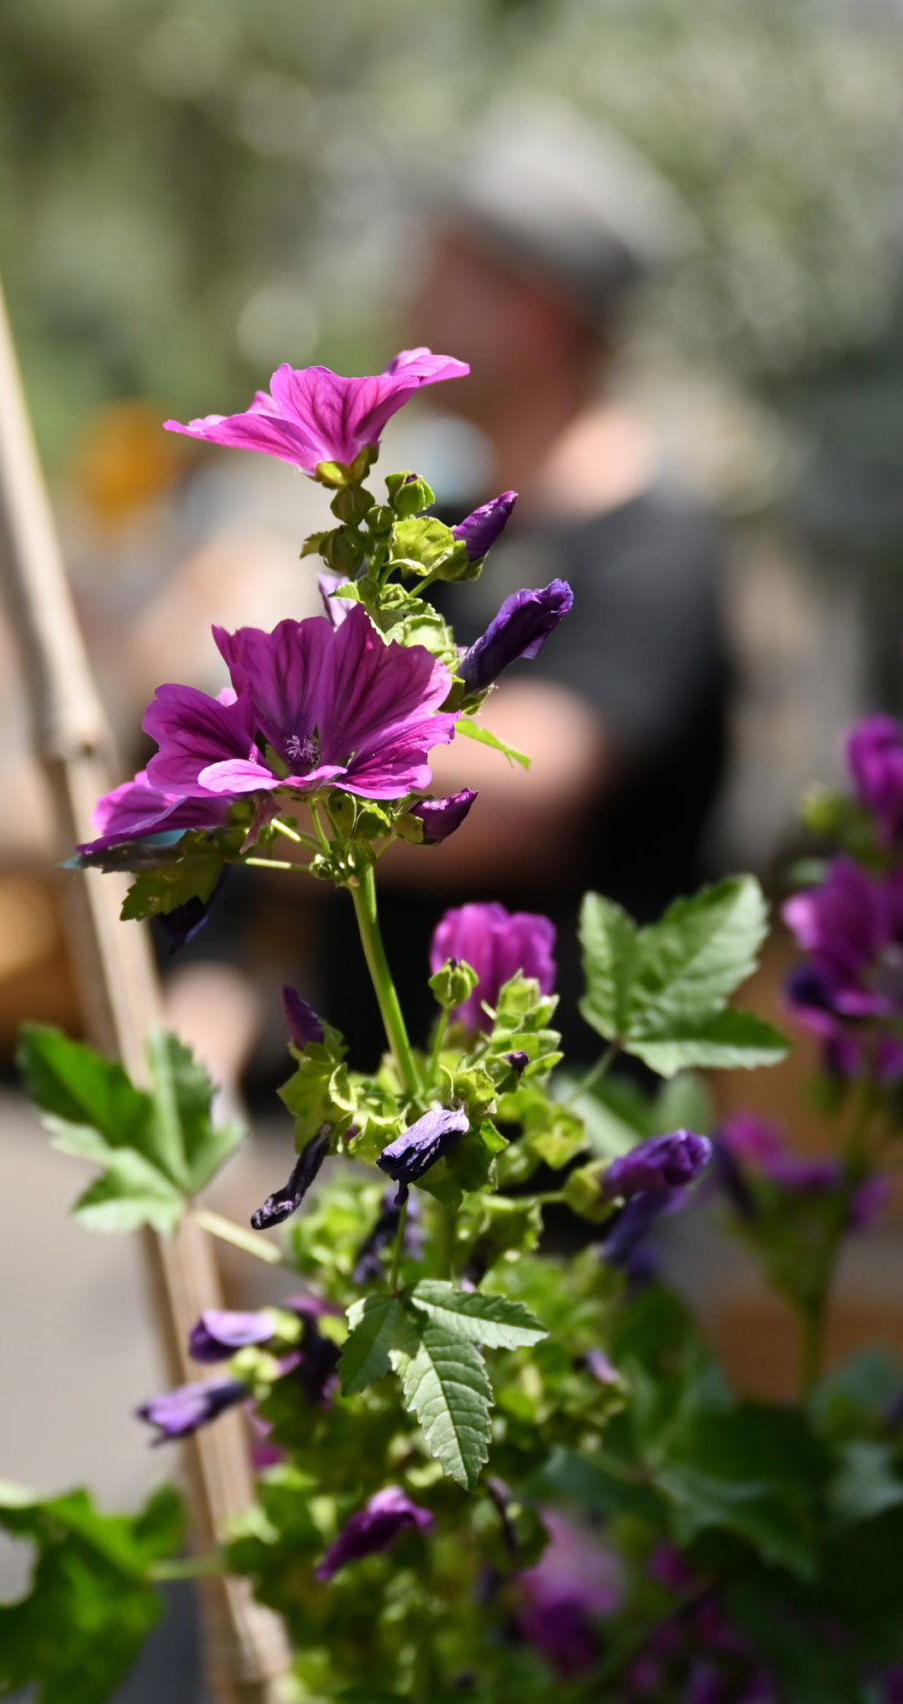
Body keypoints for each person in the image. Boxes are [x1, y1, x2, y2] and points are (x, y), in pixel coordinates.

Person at [317, 103, 734, 1063]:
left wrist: (244, 770)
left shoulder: (653, 553)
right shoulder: (444, 525)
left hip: (548, 1158)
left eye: (440, 265)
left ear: (535, 312)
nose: (404, 296)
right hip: (389, 1137)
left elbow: (512, 806)